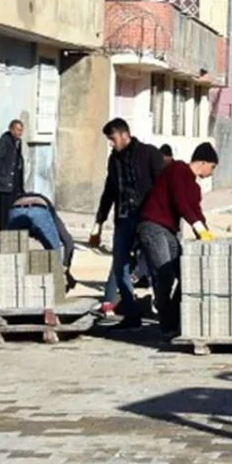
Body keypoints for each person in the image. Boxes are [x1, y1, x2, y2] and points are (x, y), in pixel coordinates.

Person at [137, 142, 220, 336]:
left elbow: (195, 210)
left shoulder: (194, 187)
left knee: (187, 274)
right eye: (213, 167)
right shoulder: (177, 170)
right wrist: (198, 227)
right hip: (153, 226)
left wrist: (206, 233)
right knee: (164, 274)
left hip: (169, 231)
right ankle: (166, 326)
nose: (212, 172)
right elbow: (179, 201)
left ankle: (174, 318)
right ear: (204, 162)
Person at [92, 118, 166, 324]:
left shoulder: (149, 154)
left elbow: (162, 188)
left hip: (147, 220)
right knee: (120, 265)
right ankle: (130, 312)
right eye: (109, 140)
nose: (111, 143)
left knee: (154, 266)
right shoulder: (113, 160)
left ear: (125, 135)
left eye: (113, 138)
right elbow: (109, 191)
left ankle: (164, 314)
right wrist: (99, 220)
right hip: (123, 219)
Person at [7, 192, 77, 292]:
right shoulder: (49, 211)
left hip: (15, 209)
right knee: (54, 252)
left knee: (6, 252)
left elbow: (3, 242)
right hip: (39, 210)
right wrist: (65, 266)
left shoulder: (16, 203)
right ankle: (59, 285)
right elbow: (68, 241)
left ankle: (9, 286)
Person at [0, 119, 26, 219]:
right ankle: (3, 231)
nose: (20, 133)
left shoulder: (18, 142)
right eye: (18, 130)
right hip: (5, 183)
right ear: (11, 130)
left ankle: (11, 231)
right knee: (4, 211)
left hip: (15, 183)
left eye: (21, 130)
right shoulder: (5, 141)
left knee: (14, 210)